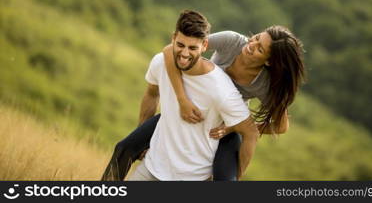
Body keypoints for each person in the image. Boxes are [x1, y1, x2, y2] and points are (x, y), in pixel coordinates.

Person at [102, 15, 305, 181]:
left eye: (259, 48)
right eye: (256, 38)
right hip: (192, 107)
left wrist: (233, 127)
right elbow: (170, 51)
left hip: (224, 127)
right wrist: (182, 101)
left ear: (269, 62)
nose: (251, 44)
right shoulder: (231, 41)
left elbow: (280, 126)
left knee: (225, 180)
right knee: (124, 148)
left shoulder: (264, 84)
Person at [124, 10, 258, 180]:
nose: (185, 53)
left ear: (205, 46)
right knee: (121, 151)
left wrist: (237, 175)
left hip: (192, 178)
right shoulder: (161, 62)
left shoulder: (221, 88)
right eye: (180, 45)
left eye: (192, 47)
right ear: (173, 38)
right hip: (152, 168)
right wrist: (143, 141)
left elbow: (251, 133)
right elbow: (151, 94)